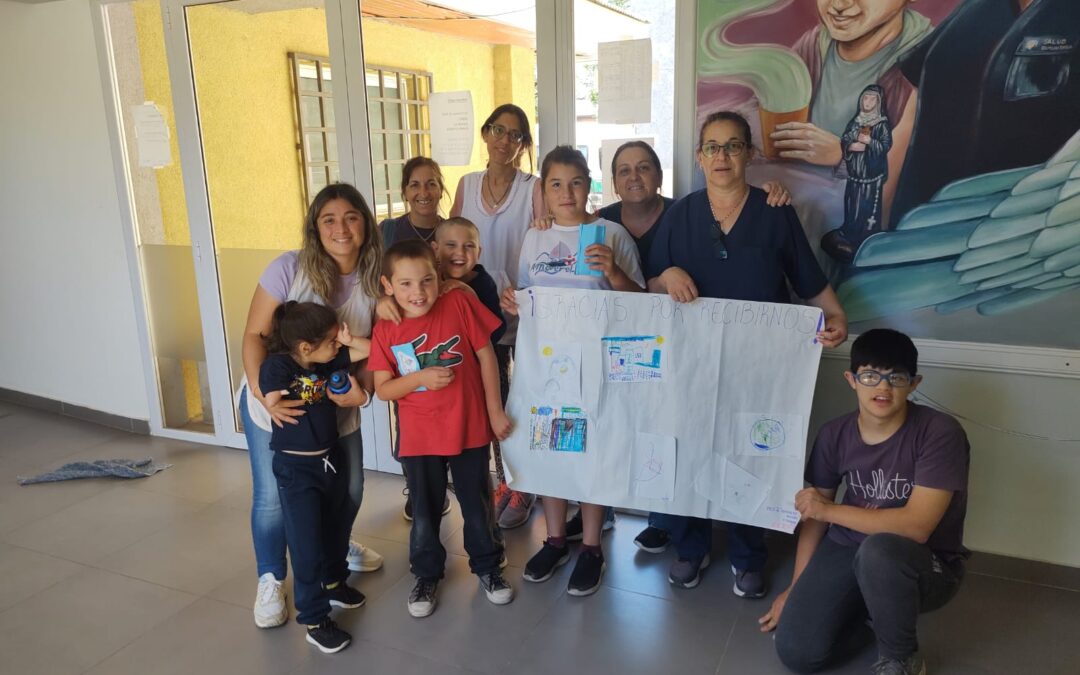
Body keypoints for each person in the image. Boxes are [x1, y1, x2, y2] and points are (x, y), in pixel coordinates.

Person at [649, 111, 848, 596]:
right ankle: (690, 549)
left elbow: (808, 278)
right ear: (699, 157)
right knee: (691, 448)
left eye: (733, 146)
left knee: (751, 450)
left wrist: (836, 315)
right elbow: (650, 280)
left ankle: (747, 554)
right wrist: (666, 276)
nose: (722, 156)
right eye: (712, 147)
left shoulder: (775, 211)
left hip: (758, 367)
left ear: (749, 155)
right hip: (692, 364)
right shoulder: (680, 215)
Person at [760, 329, 969, 675]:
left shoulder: (939, 433)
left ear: (913, 384)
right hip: (848, 546)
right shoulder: (834, 434)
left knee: (880, 551)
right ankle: (872, 614)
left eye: (896, 377)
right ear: (852, 380)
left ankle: (901, 657)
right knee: (797, 652)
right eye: (870, 376)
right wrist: (796, 588)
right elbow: (815, 517)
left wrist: (830, 511)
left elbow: (916, 527)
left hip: (923, 562)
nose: (882, 388)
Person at [238, 183, 383, 630]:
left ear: (365, 224)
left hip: (335, 406)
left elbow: (378, 350)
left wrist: (363, 392)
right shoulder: (288, 268)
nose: (341, 228)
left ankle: (330, 559)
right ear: (315, 228)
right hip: (277, 406)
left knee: (349, 489)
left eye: (351, 217)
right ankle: (270, 578)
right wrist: (266, 397)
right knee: (273, 500)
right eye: (329, 219)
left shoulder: (377, 278)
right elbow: (254, 336)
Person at [501, 145, 645, 596]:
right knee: (552, 450)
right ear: (543, 191)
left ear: (589, 186)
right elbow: (528, 295)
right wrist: (514, 303)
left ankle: (592, 548)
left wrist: (614, 272)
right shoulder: (535, 237)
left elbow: (641, 303)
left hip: (597, 371)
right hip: (547, 372)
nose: (567, 193)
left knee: (593, 453)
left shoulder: (611, 234)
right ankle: (556, 540)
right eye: (556, 184)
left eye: (576, 182)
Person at [369, 240, 514, 618]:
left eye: (426, 280)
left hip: (469, 427)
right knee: (425, 510)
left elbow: (486, 356)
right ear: (388, 285)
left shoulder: (458, 303)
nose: (418, 292)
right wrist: (419, 378)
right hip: (419, 437)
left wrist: (494, 411)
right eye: (405, 284)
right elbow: (383, 388)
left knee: (477, 505)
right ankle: (426, 574)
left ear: (440, 277)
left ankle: (488, 567)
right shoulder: (385, 328)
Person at [451, 103, 546, 530]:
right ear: (486, 134)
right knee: (493, 396)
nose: (504, 140)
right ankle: (503, 479)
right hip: (474, 312)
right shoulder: (467, 184)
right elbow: (452, 241)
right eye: (497, 130)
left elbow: (544, 240)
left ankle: (525, 483)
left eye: (515, 134)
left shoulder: (533, 187)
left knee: (522, 398)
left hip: (519, 309)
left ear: (524, 144)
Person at [259, 302, 372, 654]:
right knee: (306, 544)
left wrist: (347, 340)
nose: (337, 347)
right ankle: (314, 619)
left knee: (336, 529)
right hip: (297, 471)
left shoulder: (327, 361)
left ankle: (335, 582)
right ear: (306, 347)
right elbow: (271, 395)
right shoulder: (279, 366)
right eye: (331, 341)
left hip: (330, 461)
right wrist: (272, 402)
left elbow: (371, 350)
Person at [771, 0, 932, 228]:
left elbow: (887, 206)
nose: (838, 4)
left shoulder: (924, 70)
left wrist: (843, 154)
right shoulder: (814, 45)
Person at [822, 84, 893, 262]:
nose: (867, 102)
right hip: (855, 175)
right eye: (865, 98)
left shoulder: (881, 124)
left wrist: (869, 142)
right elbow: (846, 138)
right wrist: (851, 145)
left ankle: (864, 239)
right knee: (852, 205)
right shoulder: (856, 121)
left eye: (872, 99)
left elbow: (885, 145)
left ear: (878, 103)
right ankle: (849, 232)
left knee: (866, 209)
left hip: (871, 177)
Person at [379, 156, 446, 247]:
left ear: (441, 190)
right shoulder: (387, 231)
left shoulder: (454, 234)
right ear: (405, 192)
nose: (424, 193)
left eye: (431, 184)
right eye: (415, 185)